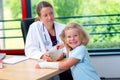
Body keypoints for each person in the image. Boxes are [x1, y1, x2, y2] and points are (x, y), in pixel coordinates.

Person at [25, 1, 73, 80]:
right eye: (45, 15)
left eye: (51, 13)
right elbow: (30, 49)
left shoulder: (62, 27)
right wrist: (43, 55)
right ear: (40, 18)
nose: (50, 18)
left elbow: (70, 46)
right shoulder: (34, 27)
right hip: (44, 65)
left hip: (61, 63)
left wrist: (63, 54)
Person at [36, 22, 100, 80]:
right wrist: (65, 44)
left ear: (82, 36)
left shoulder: (80, 49)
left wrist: (43, 65)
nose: (72, 39)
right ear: (65, 39)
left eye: (75, 35)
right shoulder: (73, 50)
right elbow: (67, 54)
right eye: (69, 37)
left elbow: (64, 66)